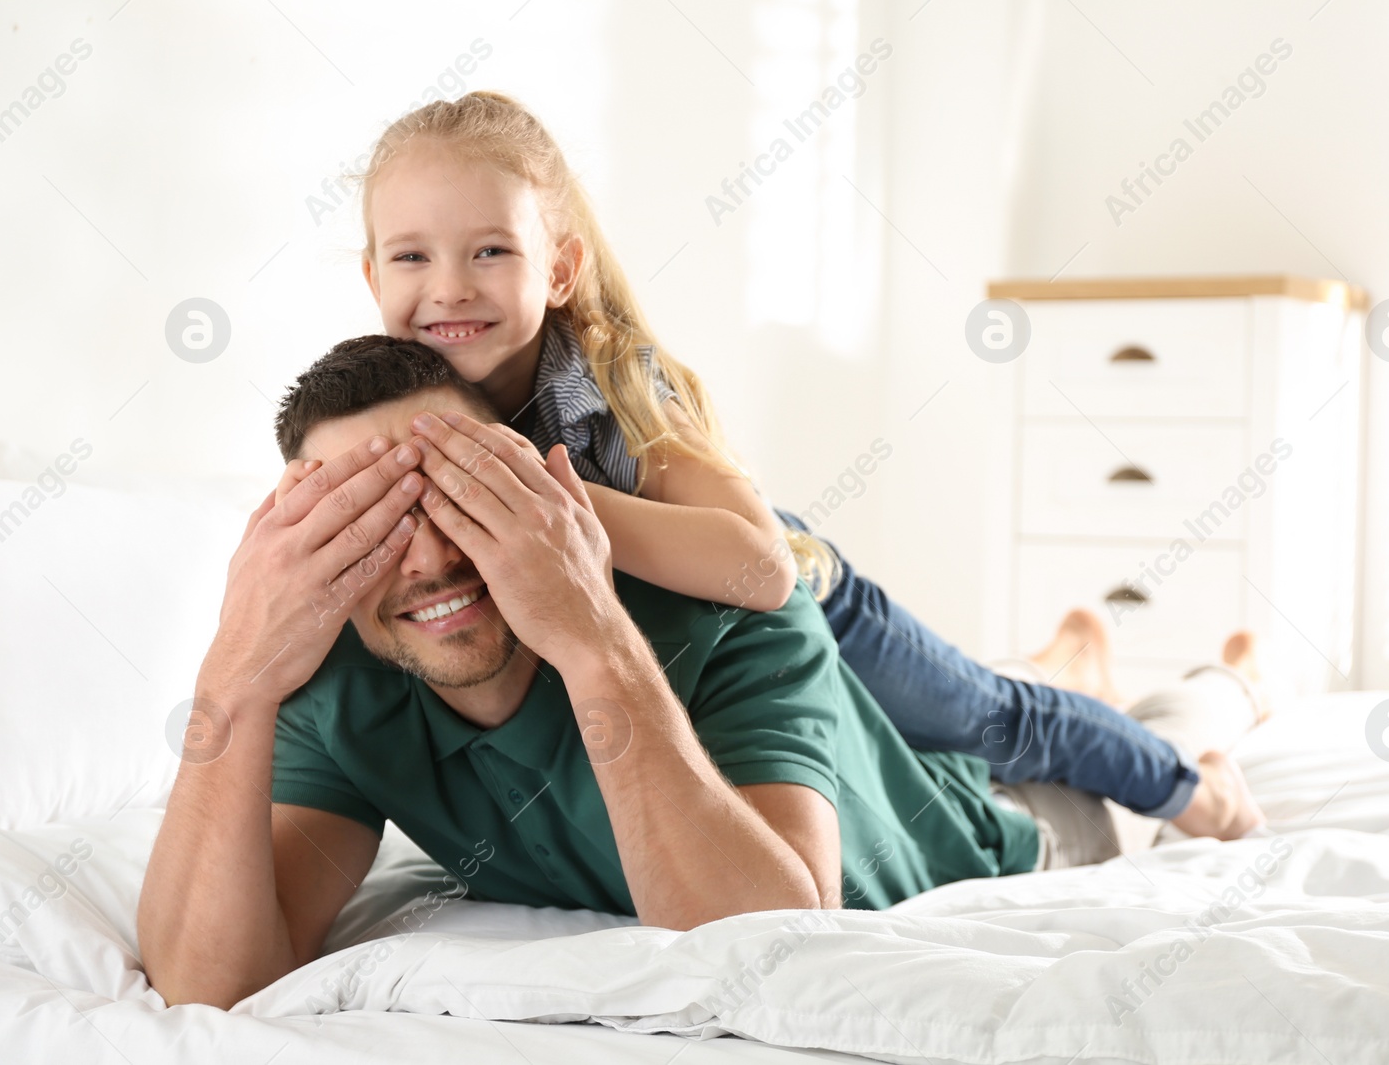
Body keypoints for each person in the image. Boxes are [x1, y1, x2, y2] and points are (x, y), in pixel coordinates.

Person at [136, 338, 1265, 1011]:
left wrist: (587, 635)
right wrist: (234, 668)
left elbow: (766, 930)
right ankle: (1075, 657)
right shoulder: (339, 669)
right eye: (369, 521)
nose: (426, 555)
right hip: (843, 753)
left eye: (459, 495)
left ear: (542, 482)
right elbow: (208, 980)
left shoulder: (728, 613)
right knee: (1016, 683)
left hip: (1002, 828)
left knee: (1136, 730)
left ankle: (1211, 697)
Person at [280, 88, 1264, 837]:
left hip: (810, 607)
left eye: (489, 250)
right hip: (696, 663)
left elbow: (759, 568)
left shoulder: (615, 381)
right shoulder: (382, 405)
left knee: (986, 721)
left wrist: (553, 510)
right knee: (929, 754)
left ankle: (1192, 784)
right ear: (372, 276)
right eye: (411, 258)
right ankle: (1068, 658)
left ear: (561, 267)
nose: (449, 286)